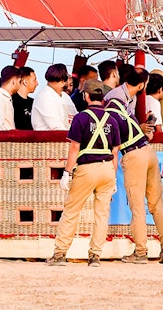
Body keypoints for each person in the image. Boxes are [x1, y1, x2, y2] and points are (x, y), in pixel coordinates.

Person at [46, 81, 121, 267]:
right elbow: (115, 151)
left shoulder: (81, 118)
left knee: (72, 211)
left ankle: (60, 254)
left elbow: (74, 147)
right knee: (102, 214)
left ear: (86, 96)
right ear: (102, 97)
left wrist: (66, 172)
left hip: (87, 168)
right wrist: (114, 176)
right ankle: (95, 256)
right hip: (107, 169)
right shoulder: (112, 120)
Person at [104, 70, 163, 264]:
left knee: (137, 207)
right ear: (142, 85)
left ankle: (141, 251)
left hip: (133, 154)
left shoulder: (112, 100)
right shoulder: (123, 102)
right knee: (156, 203)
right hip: (148, 150)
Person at [33, 63, 76, 130]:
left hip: (68, 138)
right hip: (51, 139)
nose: (69, 79)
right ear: (63, 81)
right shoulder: (45, 96)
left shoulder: (65, 96)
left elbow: (75, 117)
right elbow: (56, 127)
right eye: (68, 76)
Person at [12, 66, 37, 130]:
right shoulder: (11, 101)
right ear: (25, 82)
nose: (37, 83)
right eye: (34, 80)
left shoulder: (34, 102)